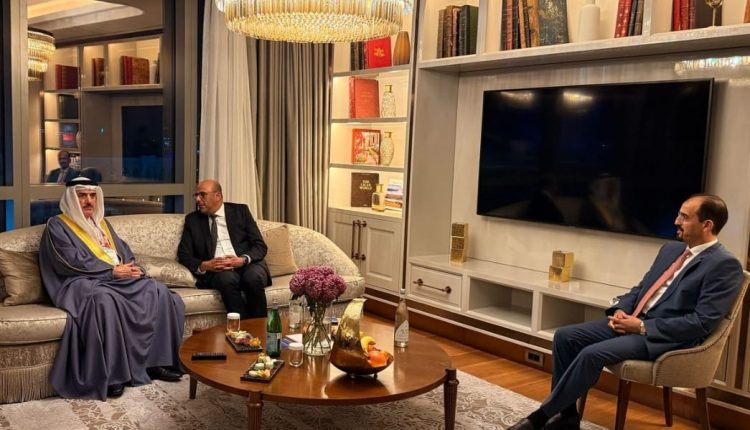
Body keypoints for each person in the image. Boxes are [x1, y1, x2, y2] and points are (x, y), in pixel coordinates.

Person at [509, 194, 744, 430]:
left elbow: (702, 322)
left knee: (591, 354)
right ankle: (567, 417)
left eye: (684, 217)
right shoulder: (671, 250)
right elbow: (641, 289)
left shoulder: (724, 265)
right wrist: (622, 310)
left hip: (664, 337)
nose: (676, 221)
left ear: (707, 225)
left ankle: (538, 418)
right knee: (565, 336)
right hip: (634, 321)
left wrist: (642, 327)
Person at [39, 176, 185, 400]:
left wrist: (131, 268)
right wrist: (111, 272)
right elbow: (69, 262)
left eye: (92, 196)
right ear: (71, 199)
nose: (89, 201)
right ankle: (113, 375)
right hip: (77, 282)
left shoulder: (102, 224)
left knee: (158, 291)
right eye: (82, 196)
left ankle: (157, 363)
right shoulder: (57, 226)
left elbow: (123, 252)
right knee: (104, 300)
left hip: (114, 278)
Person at [178, 179, 271, 318]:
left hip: (247, 264)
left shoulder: (240, 211)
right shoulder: (193, 220)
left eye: (202, 195)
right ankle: (241, 328)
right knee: (227, 280)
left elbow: (260, 245)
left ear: (218, 196)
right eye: (196, 195)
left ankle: (260, 327)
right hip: (218, 270)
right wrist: (205, 265)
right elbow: (183, 254)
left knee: (252, 278)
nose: (197, 199)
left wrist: (242, 260)